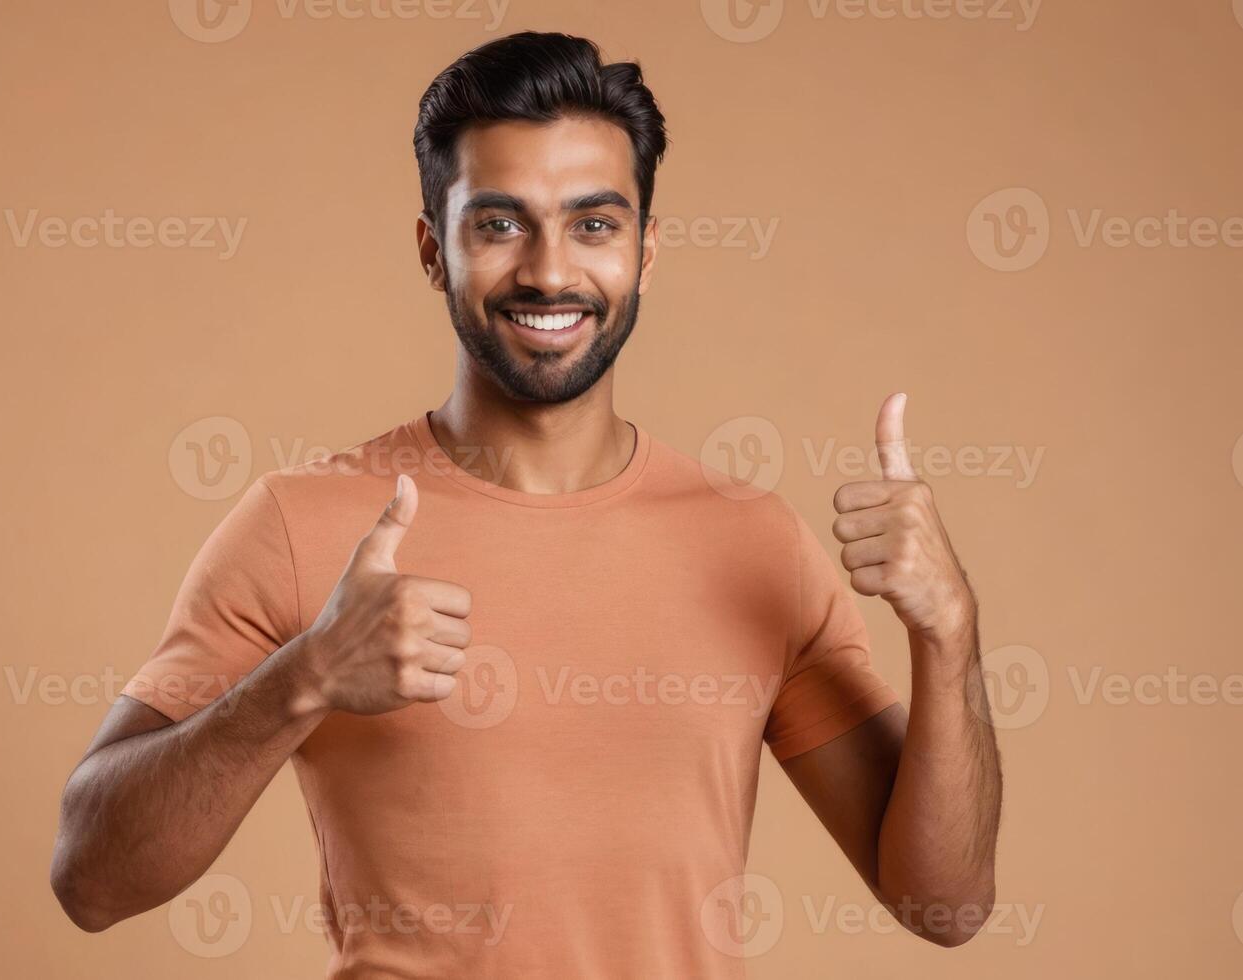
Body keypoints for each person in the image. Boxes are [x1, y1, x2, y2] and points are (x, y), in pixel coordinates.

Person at [50, 30, 1001, 977]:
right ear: (433, 249)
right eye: (499, 224)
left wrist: (948, 631)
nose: (550, 272)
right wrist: (304, 678)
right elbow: (91, 882)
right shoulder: (305, 525)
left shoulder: (756, 543)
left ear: (646, 249)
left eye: (594, 224)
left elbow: (945, 906)